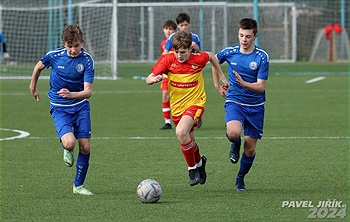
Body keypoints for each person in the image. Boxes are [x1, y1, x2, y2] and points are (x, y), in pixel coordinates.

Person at [146, 30, 229, 186]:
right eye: (176, 52)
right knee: (188, 139)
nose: (179, 55)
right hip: (177, 107)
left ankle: (192, 169)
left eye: (183, 52)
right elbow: (148, 78)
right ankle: (199, 163)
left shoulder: (198, 59)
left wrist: (222, 77)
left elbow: (211, 56)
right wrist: (154, 79)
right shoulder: (167, 60)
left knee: (181, 132)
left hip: (195, 103)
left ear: (191, 49)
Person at [29, 24, 94, 195]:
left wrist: (72, 94)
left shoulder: (87, 60)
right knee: (70, 142)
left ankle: (78, 186)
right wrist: (33, 86)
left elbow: (88, 92)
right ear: (64, 43)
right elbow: (38, 67)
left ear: (82, 42)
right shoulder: (54, 56)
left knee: (85, 147)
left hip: (80, 107)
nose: (73, 50)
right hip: (59, 108)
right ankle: (67, 148)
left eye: (76, 46)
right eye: (70, 46)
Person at [212, 18, 269, 192]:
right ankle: (234, 142)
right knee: (233, 132)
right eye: (241, 35)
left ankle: (240, 178)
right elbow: (213, 61)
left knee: (250, 150)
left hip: (255, 106)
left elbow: (260, 87)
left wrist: (244, 84)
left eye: (248, 36)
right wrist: (217, 85)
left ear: (255, 36)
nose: (244, 39)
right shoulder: (230, 52)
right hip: (234, 101)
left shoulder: (261, 57)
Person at [162, 12, 203, 128]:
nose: (184, 27)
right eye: (181, 25)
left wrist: (196, 48)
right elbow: (165, 53)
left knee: (190, 96)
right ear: (178, 25)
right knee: (167, 94)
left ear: (189, 24)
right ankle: (167, 122)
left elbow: (201, 56)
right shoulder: (173, 37)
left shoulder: (194, 37)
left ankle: (195, 115)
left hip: (191, 73)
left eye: (186, 25)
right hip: (173, 71)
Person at [158, 20, 177, 130]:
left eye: (171, 29)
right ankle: (167, 122)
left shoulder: (178, 42)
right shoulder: (163, 44)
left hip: (178, 74)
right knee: (165, 95)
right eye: (166, 29)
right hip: (167, 75)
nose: (168, 31)